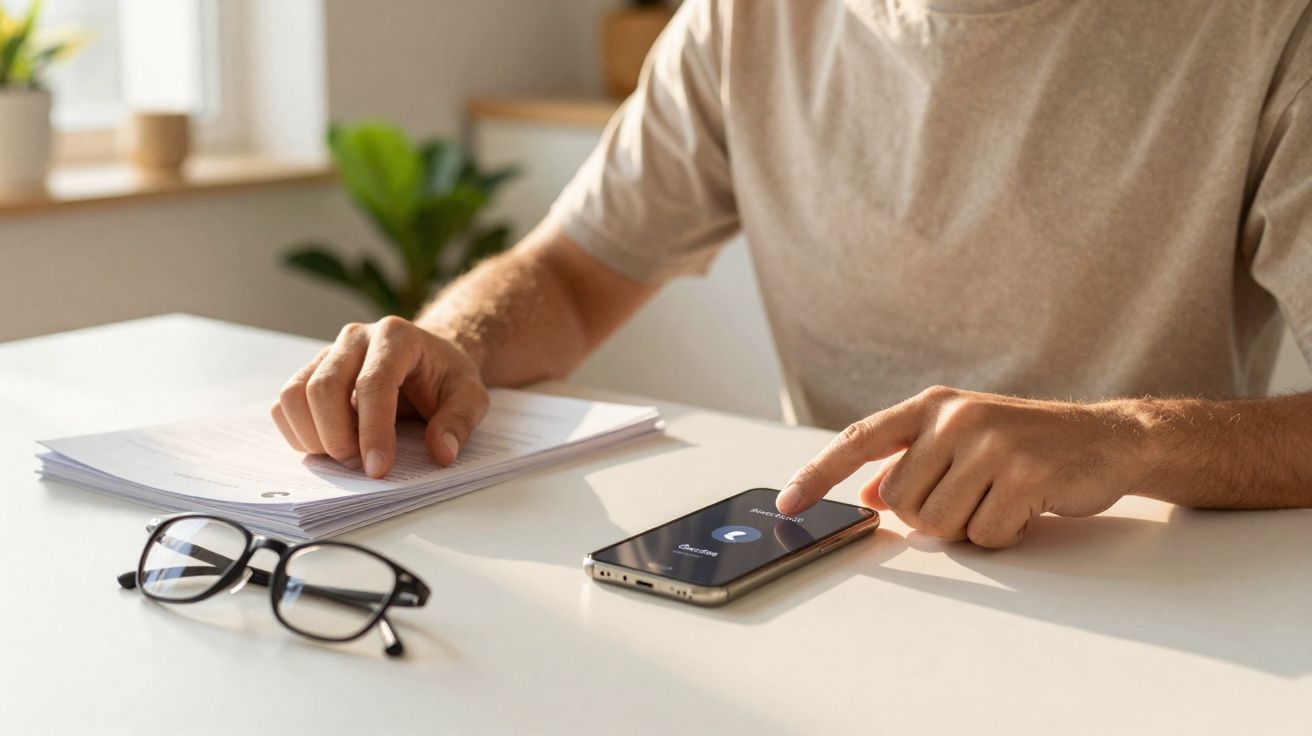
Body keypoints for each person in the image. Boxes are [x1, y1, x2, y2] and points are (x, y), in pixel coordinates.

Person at [273, 0, 1312, 549]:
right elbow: (576, 275)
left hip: (1154, 591)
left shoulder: (1270, 24)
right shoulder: (744, 17)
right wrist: (455, 341)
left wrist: (1124, 439)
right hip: (819, 562)